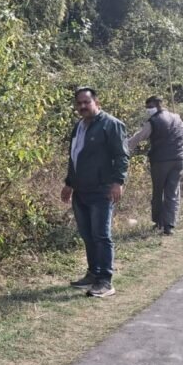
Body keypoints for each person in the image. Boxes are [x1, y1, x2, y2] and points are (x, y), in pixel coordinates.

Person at [60, 87, 129, 297]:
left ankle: (105, 281)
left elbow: (122, 156)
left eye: (86, 102)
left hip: (102, 191)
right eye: (79, 103)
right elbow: (74, 157)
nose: (82, 106)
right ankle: (92, 274)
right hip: (81, 191)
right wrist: (69, 183)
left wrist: (118, 182)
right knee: (87, 235)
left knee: (101, 235)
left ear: (96, 102)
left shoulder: (112, 125)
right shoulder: (78, 127)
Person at [125, 95, 183, 235]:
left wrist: (123, 146)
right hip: (178, 159)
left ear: (156, 105)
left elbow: (139, 137)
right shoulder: (176, 118)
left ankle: (158, 222)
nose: (148, 110)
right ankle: (169, 225)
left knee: (158, 192)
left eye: (149, 107)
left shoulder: (153, 121)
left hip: (161, 161)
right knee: (172, 193)